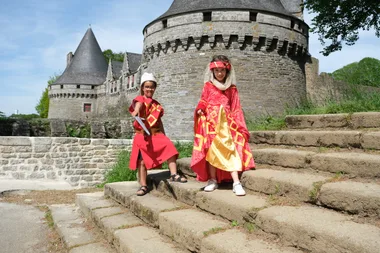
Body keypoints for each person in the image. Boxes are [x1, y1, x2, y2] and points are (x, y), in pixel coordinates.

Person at [191, 55, 255, 196]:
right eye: (217, 71)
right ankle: (213, 180)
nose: (219, 74)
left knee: (230, 150)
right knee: (212, 151)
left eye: (222, 70)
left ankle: (236, 182)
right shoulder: (208, 86)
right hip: (211, 123)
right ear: (212, 71)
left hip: (227, 124)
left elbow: (236, 108)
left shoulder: (232, 89)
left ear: (227, 71)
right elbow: (203, 100)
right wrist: (200, 108)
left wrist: (241, 127)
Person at [129, 72, 187, 196]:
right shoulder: (140, 99)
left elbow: (159, 122)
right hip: (142, 135)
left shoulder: (157, 105)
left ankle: (173, 174)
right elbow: (138, 105)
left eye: (151, 87)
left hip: (155, 133)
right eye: (147, 87)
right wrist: (136, 110)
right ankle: (143, 185)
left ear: (154, 88)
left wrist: (164, 135)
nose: (149, 89)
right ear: (142, 88)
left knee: (170, 147)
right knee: (142, 161)